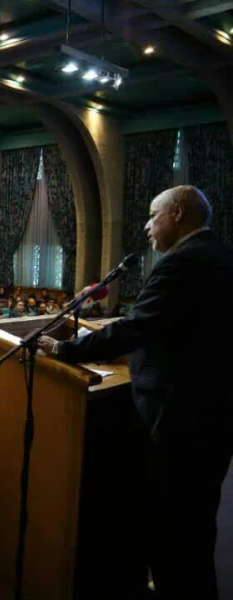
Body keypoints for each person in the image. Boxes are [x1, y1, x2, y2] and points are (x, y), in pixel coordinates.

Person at [38, 186, 233, 599]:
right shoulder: (218, 254)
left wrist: (65, 349)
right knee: (194, 530)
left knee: (175, 534)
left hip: (180, 419)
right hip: (210, 416)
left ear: (176, 213)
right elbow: (173, 329)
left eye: (152, 215)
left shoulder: (184, 261)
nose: (146, 226)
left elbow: (137, 327)